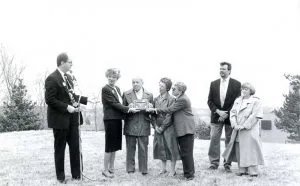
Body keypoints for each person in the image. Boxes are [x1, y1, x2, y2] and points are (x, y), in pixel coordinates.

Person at [45, 53, 88, 184]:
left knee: (75, 147)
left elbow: (72, 95)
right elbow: (50, 99)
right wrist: (67, 107)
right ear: (62, 62)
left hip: (73, 119)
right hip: (60, 120)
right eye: (69, 62)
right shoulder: (52, 78)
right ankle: (61, 177)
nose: (71, 64)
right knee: (60, 149)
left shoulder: (69, 77)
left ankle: (76, 175)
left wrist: (84, 101)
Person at [148, 82, 195, 180]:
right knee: (185, 152)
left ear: (180, 91)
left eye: (174, 89)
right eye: (172, 88)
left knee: (186, 152)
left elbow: (170, 110)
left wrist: (155, 110)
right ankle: (188, 173)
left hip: (186, 129)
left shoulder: (182, 99)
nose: (172, 90)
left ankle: (189, 175)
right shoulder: (179, 98)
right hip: (183, 129)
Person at [101, 68, 139, 178]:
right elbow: (114, 104)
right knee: (109, 145)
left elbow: (120, 103)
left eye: (114, 77)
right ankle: (105, 169)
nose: (111, 78)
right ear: (106, 76)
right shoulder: (105, 89)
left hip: (117, 119)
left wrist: (129, 106)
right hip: (110, 119)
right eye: (109, 76)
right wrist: (128, 109)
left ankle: (111, 168)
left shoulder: (117, 88)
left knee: (115, 145)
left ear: (117, 78)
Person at [223, 82, 264, 177]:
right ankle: (242, 170)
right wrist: (234, 124)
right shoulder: (237, 100)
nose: (243, 90)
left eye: (246, 89)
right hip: (237, 129)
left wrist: (244, 126)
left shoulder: (256, 101)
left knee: (251, 149)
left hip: (249, 130)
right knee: (239, 148)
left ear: (251, 91)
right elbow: (232, 113)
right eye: (242, 89)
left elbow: (255, 115)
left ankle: (253, 172)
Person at [207, 62, 241, 172]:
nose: (221, 71)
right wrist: (218, 112)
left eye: (224, 69)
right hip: (216, 117)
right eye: (220, 69)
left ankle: (227, 163)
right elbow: (210, 101)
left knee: (229, 140)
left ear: (229, 71)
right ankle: (214, 163)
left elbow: (237, 101)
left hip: (230, 117)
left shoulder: (236, 84)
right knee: (214, 139)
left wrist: (226, 114)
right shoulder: (213, 83)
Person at [123, 77, 154, 175]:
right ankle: (130, 168)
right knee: (130, 147)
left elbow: (152, 111)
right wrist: (128, 108)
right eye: (133, 82)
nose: (135, 84)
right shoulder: (126, 94)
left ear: (142, 83)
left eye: (137, 82)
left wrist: (150, 107)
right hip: (130, 123)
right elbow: (122, 110)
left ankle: (143, 169)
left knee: (143, 147)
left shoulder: (149, 95)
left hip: (144, 123)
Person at [152, 78, 181, 176]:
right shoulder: (155, 99)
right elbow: (152, 114)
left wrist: (162, 127)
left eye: (162, 86)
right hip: (158, 127)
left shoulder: (172, 99)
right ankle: (163, 169)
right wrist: (155, 126)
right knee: (161, 147)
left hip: (168, 128)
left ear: (168, 88)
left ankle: (172, 170)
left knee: (171, 148)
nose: (159, 88)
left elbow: (170, 115)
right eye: (159, 85)